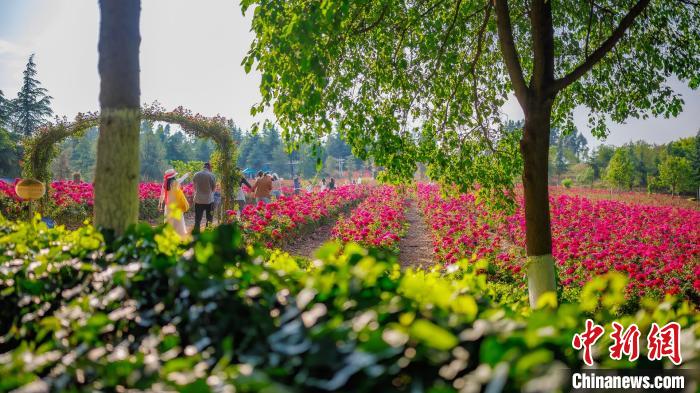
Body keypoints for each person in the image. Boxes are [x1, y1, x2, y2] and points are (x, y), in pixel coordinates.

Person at [159, 169, 190, 239]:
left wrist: (160, 204)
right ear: (173, 176)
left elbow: (162, 195)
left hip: (168, 205)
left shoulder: (164, 184)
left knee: (169, 220)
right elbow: (181, 179)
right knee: (178, 220)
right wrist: (187, 174)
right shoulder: (175, 182)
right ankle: (178, 234)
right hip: (176, 205)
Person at [192, 162, 216, 233]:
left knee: (197, 218)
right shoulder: (212, 175)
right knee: (209, 218)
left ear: (204, 167)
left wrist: (198, 192)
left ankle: (196, 232)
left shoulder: (196, 174)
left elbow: (194, 186)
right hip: (209, 200)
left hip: (198, 199)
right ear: (210, 168)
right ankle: (207, 233)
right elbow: (213, 188)